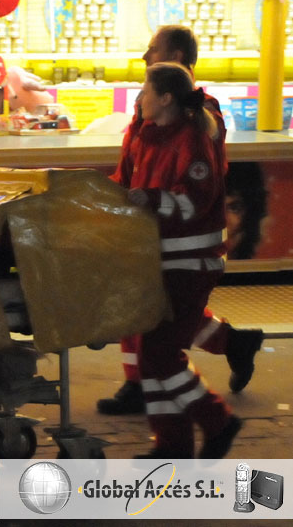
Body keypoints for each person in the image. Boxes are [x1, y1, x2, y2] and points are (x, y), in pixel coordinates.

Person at [98, 25, 263, 415]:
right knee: (163, 313)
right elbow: (133, 164)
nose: (145, 56)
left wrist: (150, 200)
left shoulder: (195, 118)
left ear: (172, 56)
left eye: (152, 49)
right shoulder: (159, 108)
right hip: (151, 234)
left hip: (182, 241)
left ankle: (165, 399)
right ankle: (231, 348)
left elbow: (193, 186)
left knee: (156, 316)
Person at [126, 61, 241, 458]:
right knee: (153, 355)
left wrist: (151, 200)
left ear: (166, 98)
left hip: (190, 263)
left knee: (159, 355)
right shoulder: (152, 135)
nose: (140, 97)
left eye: (145, 89)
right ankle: (172, 443)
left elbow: (194, 200)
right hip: (166, 262)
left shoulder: (192, 141)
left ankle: (218, 422)